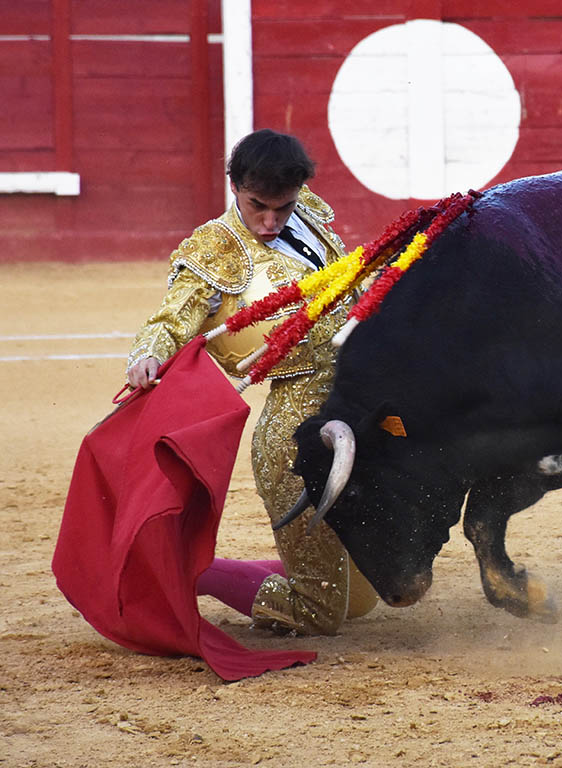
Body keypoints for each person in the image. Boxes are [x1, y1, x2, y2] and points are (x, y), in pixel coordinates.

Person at [126, 129, 377, 634]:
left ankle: (308, 568)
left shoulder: (306, 211)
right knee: (319, 610)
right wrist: (149, 355)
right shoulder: (216, 247)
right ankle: (193, 569)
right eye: (256, 205)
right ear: (233, 186)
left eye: (281, 209)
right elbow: (170, 321)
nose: (269, 222)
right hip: (296, 428)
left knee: (364, 597)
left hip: (357, 394)